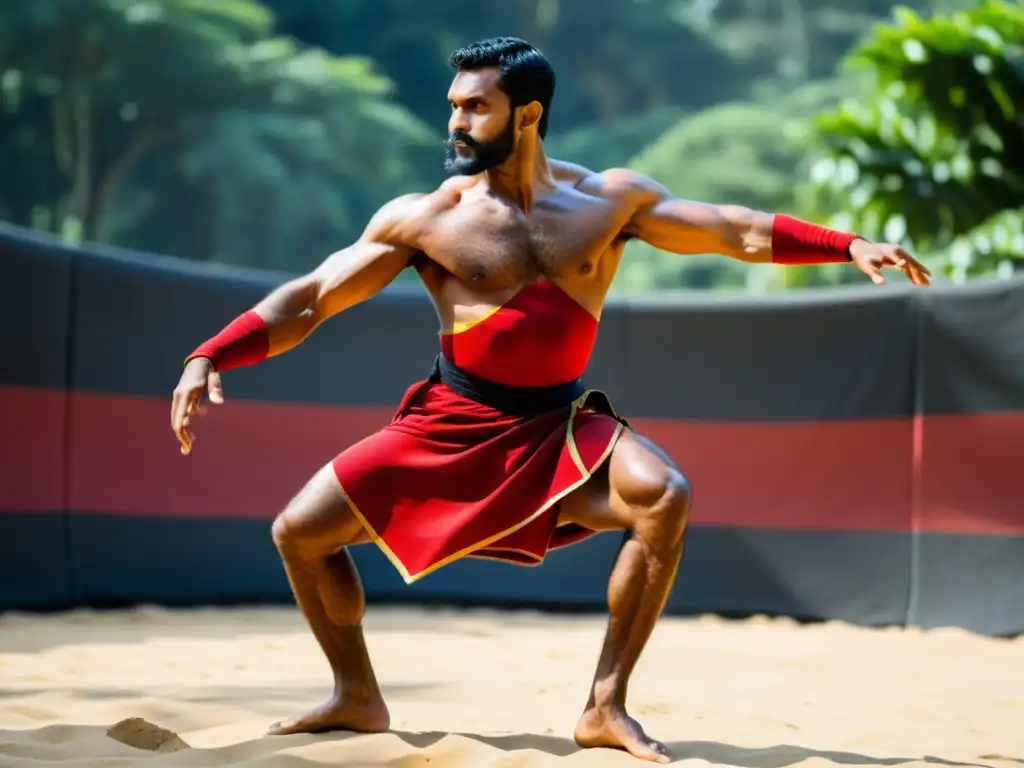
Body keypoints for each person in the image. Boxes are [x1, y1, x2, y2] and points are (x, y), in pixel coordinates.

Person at [169, 37, 931, 764]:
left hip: (561, 426)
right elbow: (310, 300)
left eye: (475, 107)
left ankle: (604, 705)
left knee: (664, 495)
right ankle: (356, 694)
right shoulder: (428, 218)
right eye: (454, 106)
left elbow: (734, 231)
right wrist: (213, 352)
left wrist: (844, 244)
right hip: (452, 423)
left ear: (527, 115)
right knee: (299, 534)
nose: (457, 122)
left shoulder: (609, 201)